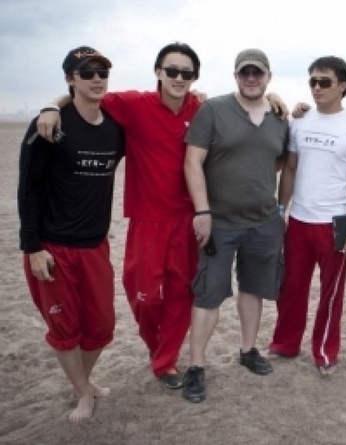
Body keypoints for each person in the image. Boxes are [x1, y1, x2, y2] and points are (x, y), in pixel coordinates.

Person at [35, 43, 288, 390]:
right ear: (158, 72)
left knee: (181, 296)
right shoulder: (133, 104)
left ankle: (166, 362)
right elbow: (88, 94)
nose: (179, 79)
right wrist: (50, 105)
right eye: (172, 71)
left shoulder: (201, 108)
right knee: (144, 297)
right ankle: (159, 349)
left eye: (186, 73)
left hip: (189, 218)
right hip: (147, 220)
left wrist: (275, 98)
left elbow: (246, 106)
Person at [18, 46, 124, 423]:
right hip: (53, 247)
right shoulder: (50, 125)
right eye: (86, 72)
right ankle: (82, 393)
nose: (96, 78)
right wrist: (33, 249)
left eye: (102, 72)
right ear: (70, 78)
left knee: (102, 327)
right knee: (66, 329)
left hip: (95, 245)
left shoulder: (115, 126)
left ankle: (84, 380)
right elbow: (27, 190)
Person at [181, 48, 288, 403]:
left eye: (258, 73)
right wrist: (202, 211)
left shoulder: (279, 116)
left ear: (269, 76)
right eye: (246, 73)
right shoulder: (214, 111)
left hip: (264, 222)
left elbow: (277, 162)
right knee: (209, 292)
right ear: (236, 76)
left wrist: (275, 205)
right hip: (220, 223)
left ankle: (248, 350)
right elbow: (192, 162)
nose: (252, 78)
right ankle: (196, 366)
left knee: (253, 289)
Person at [268, 56, 346, 376]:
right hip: (298, 220)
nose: (316, 87)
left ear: (342, 86)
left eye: (324, 81)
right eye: (312, 81)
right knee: (291, 289)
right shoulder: (299, 122)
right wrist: (280, 211)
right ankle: (285, 344)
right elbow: (289, 170)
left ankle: (325, 351)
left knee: (331, 295)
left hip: (335, 225)